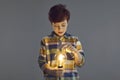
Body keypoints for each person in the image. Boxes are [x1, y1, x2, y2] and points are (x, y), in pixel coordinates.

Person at [38, 4, 85, 80]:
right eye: (56, 26)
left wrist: (75, 51)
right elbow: (41, 61)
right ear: (51, 24)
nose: (60, 29)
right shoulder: (45, 41)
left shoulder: (74, 40)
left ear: (67, 23)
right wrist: (51, 71)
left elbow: (81, 62)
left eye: (63, 25)